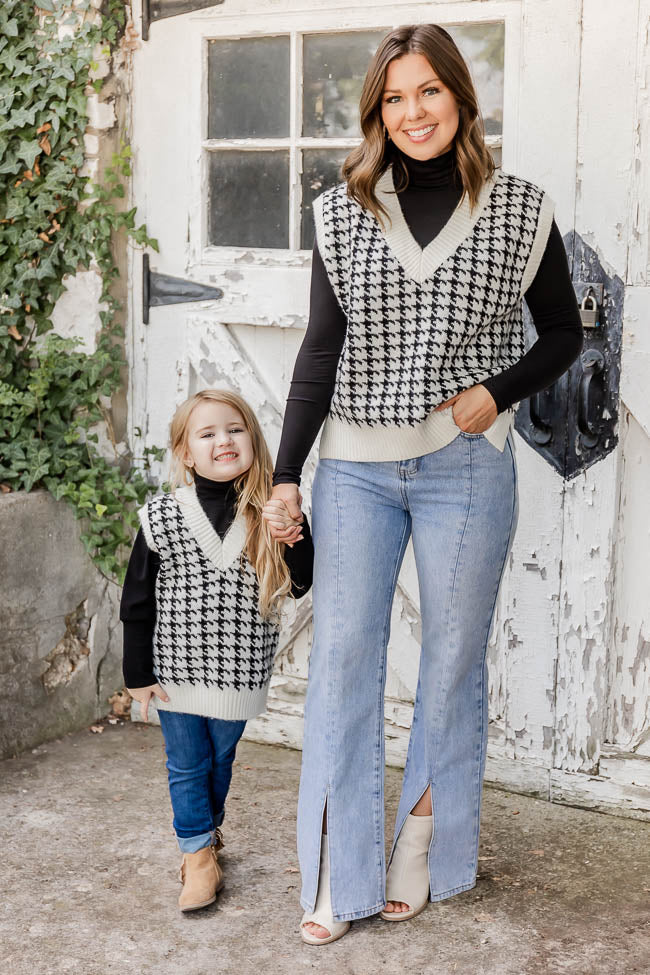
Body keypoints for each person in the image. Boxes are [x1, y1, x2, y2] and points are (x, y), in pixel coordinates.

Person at [265, 24, 582, 945]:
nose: (412, 113)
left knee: (449, 666)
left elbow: (562, 333)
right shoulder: (343, 212)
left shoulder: (521, 209)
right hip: (356, 469)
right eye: (394, 98)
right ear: (378, 111)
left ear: (460, 98)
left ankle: (420, 851)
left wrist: (497, 391)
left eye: (428, 93)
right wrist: (286, 474)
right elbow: (320, 351)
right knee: (343, 663)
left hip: (467, 468)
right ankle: (336, 875)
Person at [120, 389, 313, 912]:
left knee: (219, 761)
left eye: (234, 429)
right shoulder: (162, 517)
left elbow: (299, 585)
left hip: (240, 670)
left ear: (252, 438)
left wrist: (295, 538)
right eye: (206, 434)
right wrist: (136, 675)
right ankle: (198, 857)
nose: (222, 441)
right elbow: (136, 601)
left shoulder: (272, 514)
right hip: (174, 669)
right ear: (186, 452)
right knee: (186, 762)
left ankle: (207, 833)